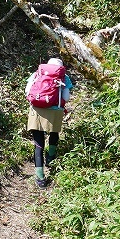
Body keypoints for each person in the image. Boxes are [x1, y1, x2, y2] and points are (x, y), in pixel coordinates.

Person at [25, 57, 73, 188]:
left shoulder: (37, 73)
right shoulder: (64, 77)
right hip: (55, 112)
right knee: (54, 134)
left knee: (38, 143)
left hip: (37, 111)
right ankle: (51, 158)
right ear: (61, 68)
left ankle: (40, 178)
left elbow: (27, 92)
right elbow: (66, 98)